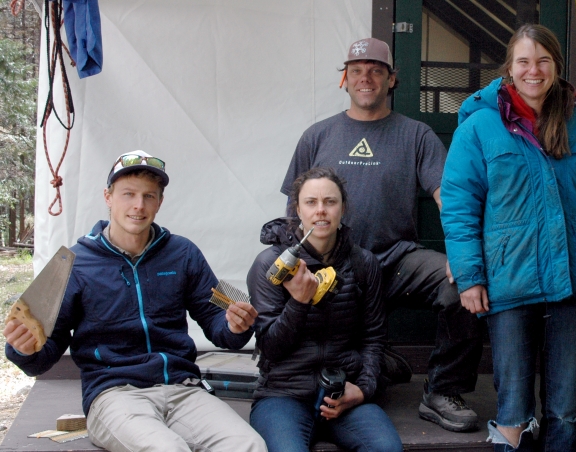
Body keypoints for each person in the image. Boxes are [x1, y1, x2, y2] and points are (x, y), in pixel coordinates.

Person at [440, 24, 576, 451]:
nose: (534, 70)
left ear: (556, 67)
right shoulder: (479, 128)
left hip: (571, 278)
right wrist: (471, 276)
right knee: (513, 412)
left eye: (543, 60)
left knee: (564, 413)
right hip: (510, 280)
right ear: (509, 69)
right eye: (524, 61)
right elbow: (459, 205)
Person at [281, 37, 483, 432]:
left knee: (461, 287)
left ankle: (442, 391)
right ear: (344, 79)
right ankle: (385, 365)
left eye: (376, 71)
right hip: (335, 269)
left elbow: (450, 200)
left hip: (395, 261)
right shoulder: (317, 136)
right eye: (357, 71)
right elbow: (295, 210)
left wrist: (467, 258)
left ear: (392, 79)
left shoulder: (417, 135)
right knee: (325, 366)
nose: (366, 78)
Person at [3, 150, 266, 452]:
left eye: (149, 196)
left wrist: (236, 326)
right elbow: (45, 352)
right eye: (128, 194)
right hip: (114, 395)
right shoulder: (76, 263)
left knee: (249, 445)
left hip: (183, 390)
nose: (138, 206)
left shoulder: (182, 253)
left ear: (160, 202)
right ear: (108, 196)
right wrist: (22, 349)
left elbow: (218, 325)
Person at [247, 167, 403, 452]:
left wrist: (363, 389)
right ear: (297, 209)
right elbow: (270, 348)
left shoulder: (363, 263)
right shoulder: (270, 264)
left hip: (342, 390)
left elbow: (374, 338)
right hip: (283, 395)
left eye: (330, 202)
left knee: (386, 449)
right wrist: (298, 303)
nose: (321, 211)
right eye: (311, 202)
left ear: (343, 208)